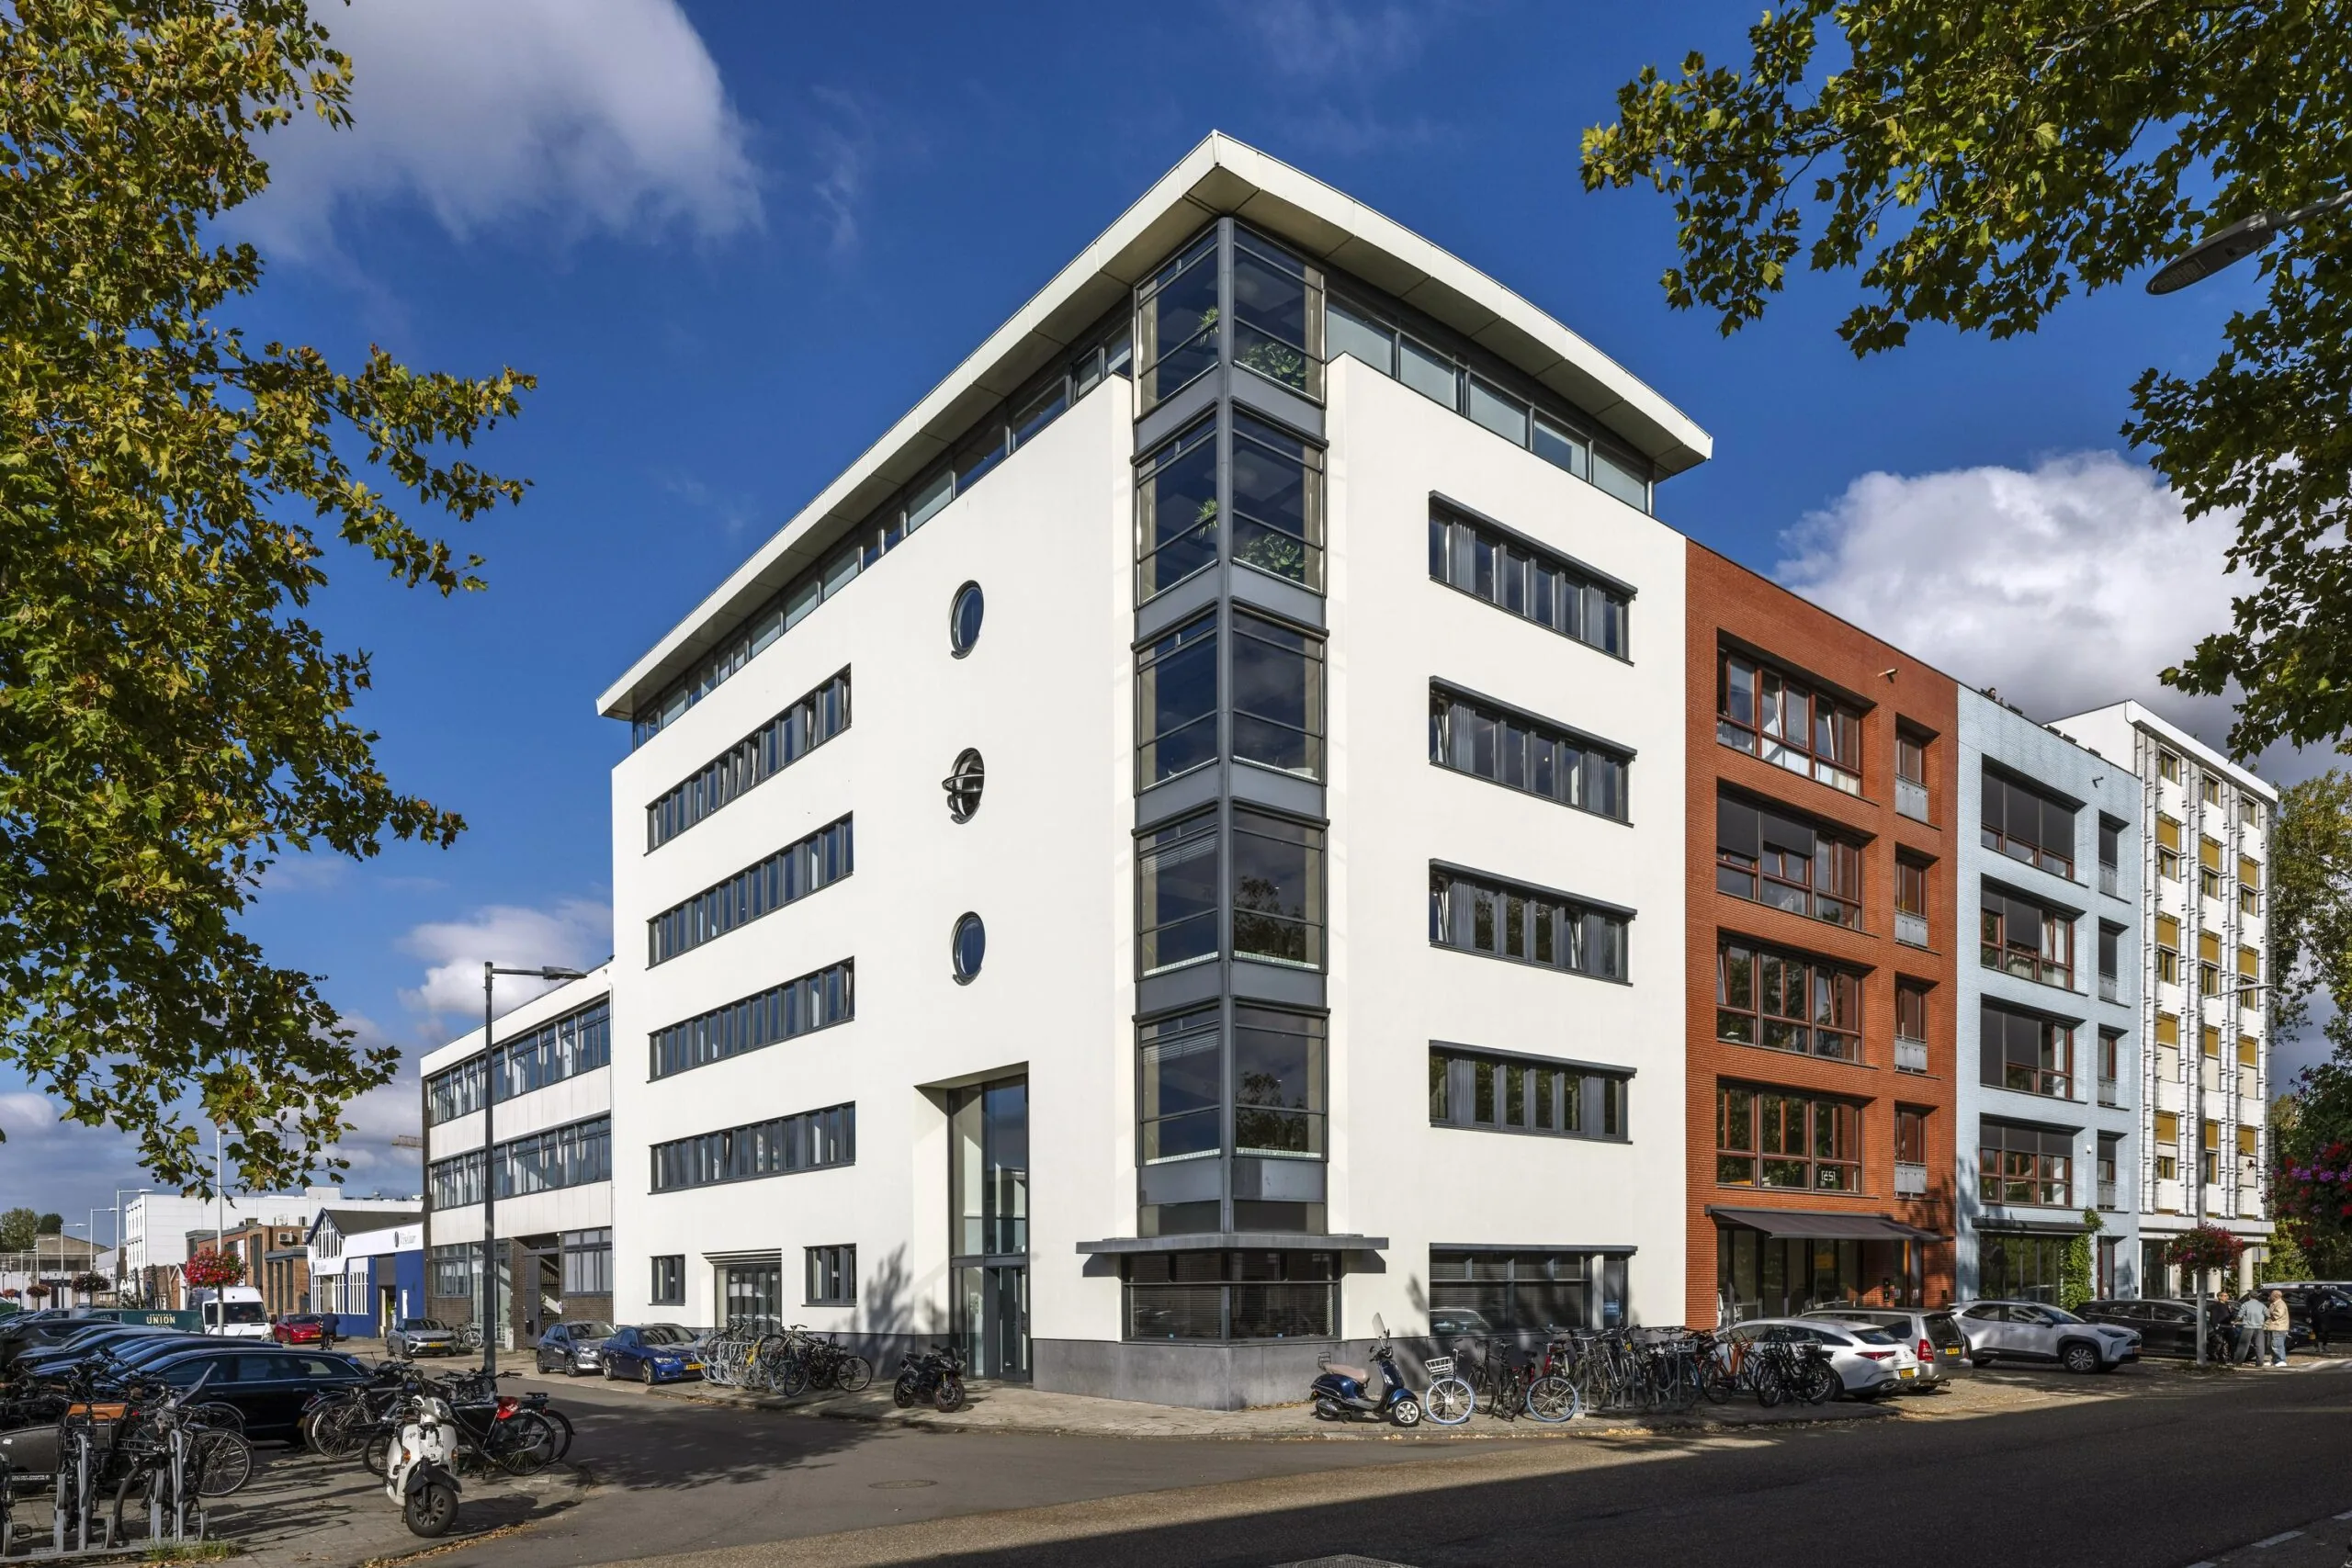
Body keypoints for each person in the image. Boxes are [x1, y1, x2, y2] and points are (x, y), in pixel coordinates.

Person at [2236, 1290, 2266, 1365]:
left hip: (2248, 1327)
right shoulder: (2262, 1305)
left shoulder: (2245, 1304)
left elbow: (2240, 1316)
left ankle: (2238, 1362)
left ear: (2249, 1296)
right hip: (2259, 1327)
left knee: (2244, 1345)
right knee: (2260, 1345)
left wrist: (2235, 1321)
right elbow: (2268, 1315)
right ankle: (2259, 1363)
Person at [2265, 1290, 2292, 1367]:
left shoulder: (2280, 1304)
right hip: (2273, 1327)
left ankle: (2281, 1360)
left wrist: (2268, 1314)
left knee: (2277, 1345)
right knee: (2271, 1345)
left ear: (2275, 1296)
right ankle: (2275, 1360)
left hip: (2279, 1328)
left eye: (2271, 1295)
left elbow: (2277, 1315)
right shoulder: (2273, 1304)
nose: (2269, 1296)